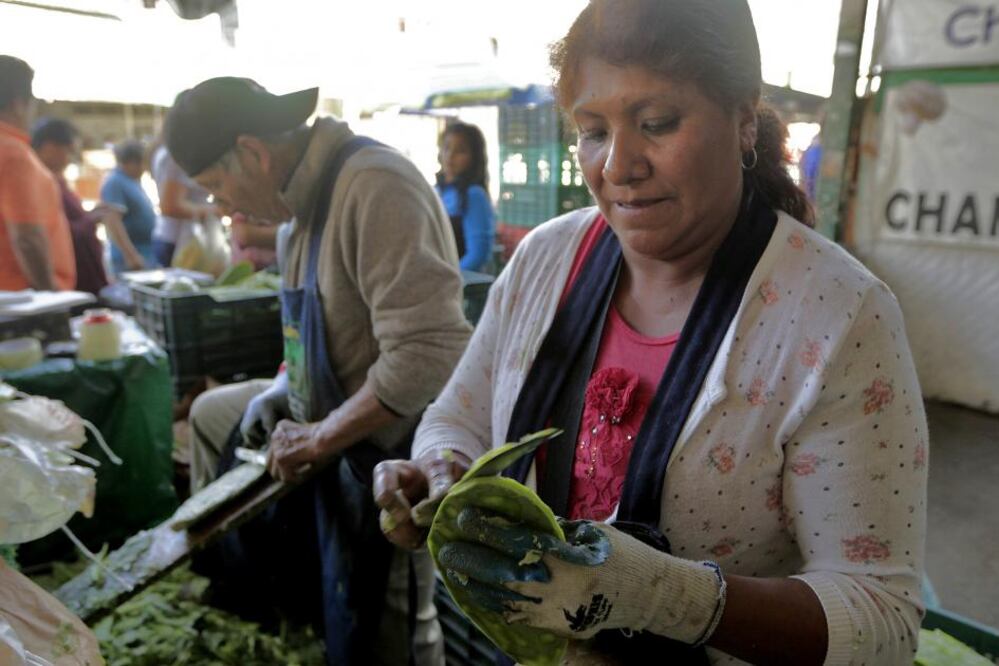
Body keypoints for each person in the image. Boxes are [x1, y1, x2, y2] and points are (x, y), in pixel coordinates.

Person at [374, 2, 927, 665]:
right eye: (591, 130)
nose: (618, 165)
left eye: (656, 123)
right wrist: (441, 471)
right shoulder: (544, 263)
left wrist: (672, 598)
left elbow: (883, 619)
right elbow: (454, 416)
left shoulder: (835, 318)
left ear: (743, 118)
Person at [164, 77, 470, 665]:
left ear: (253, 152)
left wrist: (322, 435)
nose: (223, 208)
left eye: (216, 187)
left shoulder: (374, 186)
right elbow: (310, 338)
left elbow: (431, 351)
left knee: (390, 633)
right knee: (214, 416)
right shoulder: (295, 218)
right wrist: (283, 389)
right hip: (332, 423)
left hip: (394, 450)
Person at [0, 56, 75, 292]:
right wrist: (50, 294)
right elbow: (27, 237)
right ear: (18, 104)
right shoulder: (13, 153)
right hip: (23, 301)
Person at [31, 117, 109, 296]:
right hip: (63, 282)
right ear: (50, 147)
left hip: (79, 275)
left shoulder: (55, 180)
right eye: (69, 152)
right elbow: (50, 232)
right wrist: (89, 220)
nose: (70, 160)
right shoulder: (37, 181)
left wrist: (90, 217)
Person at [435, 121, 495, 273]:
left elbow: (477, 255)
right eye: (447, 147)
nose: (450, 155)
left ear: (474, 157)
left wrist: (447, 282)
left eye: (460, 150)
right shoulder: (435, 191)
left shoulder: (474, 195)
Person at [149, 143, 217, 267]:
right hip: (180, 241)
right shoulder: (176, 156)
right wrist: (217, 210)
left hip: (177, 238)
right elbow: (170, 206)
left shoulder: (166, 152)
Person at [100, 140, 158, 275]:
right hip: (130, 259)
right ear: (132, 161)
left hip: (144, 253)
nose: (144, 168)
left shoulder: (131, 180)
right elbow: (113, 221)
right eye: (143, 163)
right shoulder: (115, 182)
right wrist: (131, 255)